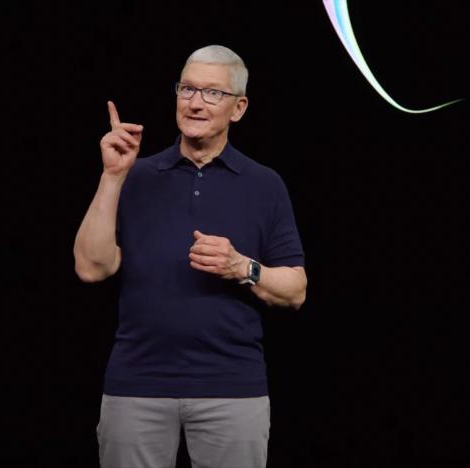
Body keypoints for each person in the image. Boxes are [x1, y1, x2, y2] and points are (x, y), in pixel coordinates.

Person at [74, 44, 307, 468]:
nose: (196, 103)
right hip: (136, 386)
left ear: (238, 108)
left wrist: (243, 267)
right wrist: (112, 177)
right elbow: (91, 267)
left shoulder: (265, 184)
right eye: (187, 89)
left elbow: (296, 291)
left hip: (232, 389)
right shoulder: (136, 174)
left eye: (212, 93)